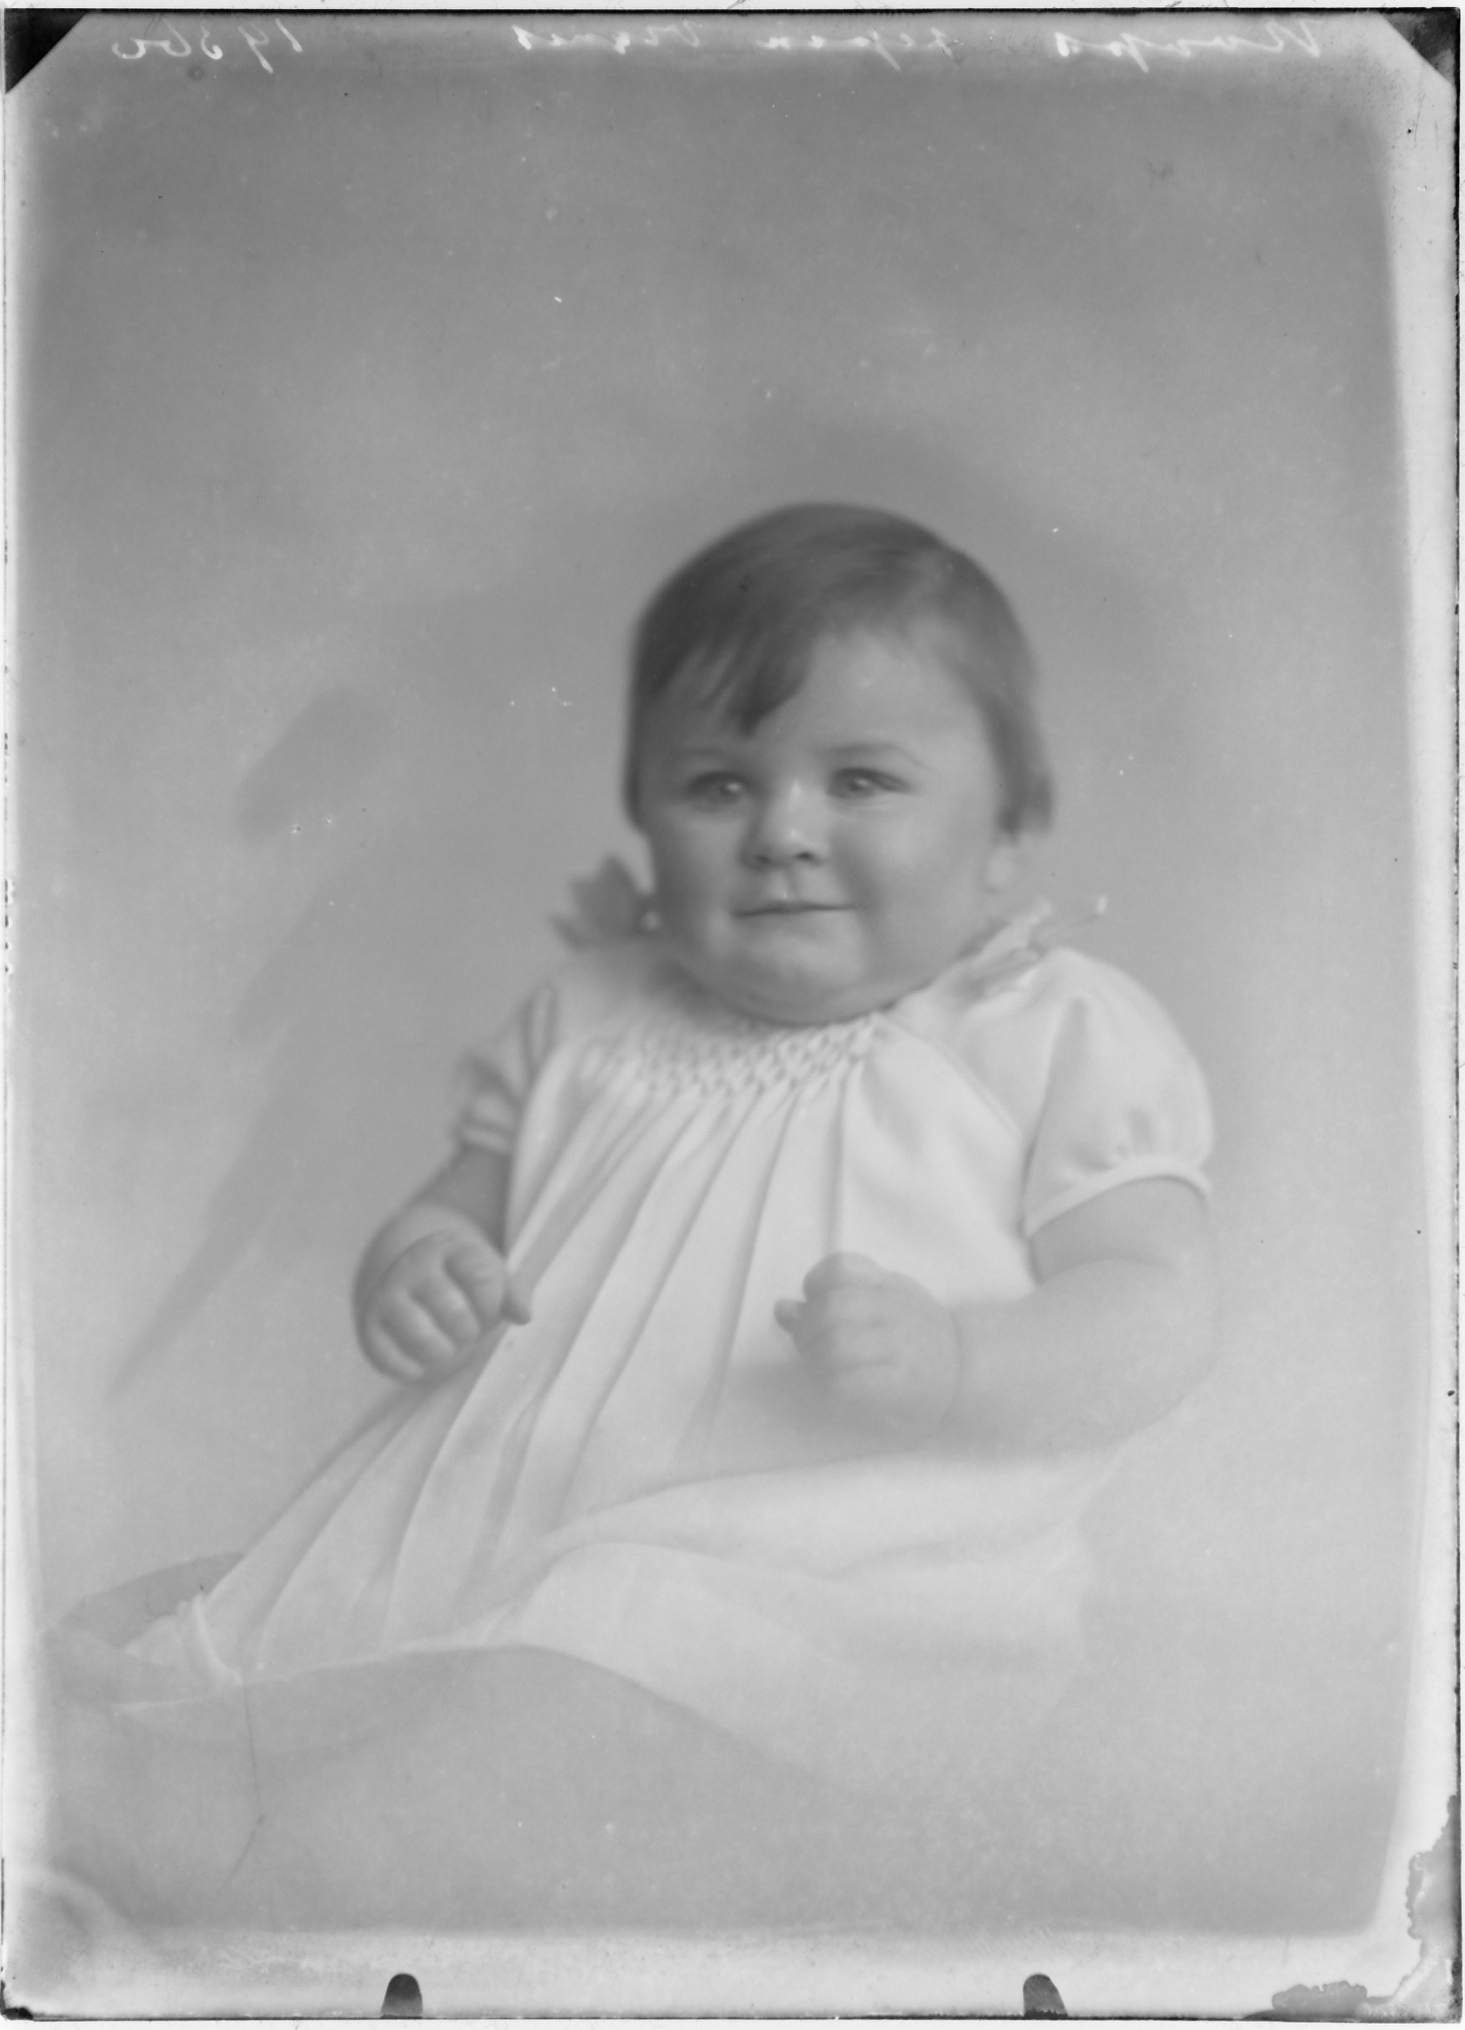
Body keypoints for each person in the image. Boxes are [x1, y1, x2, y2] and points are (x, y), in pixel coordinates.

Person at [46, 504, 1216, 1932]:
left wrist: (964, 1360)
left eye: (861, 779)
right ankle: (201, 1811)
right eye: (718, 785)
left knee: (548, 1700)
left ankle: (245, 1860)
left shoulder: (1040, 1032)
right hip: (506, 1530)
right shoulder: (592, 1012)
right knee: (296, 1649)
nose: (783, 834)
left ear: (1006, 834)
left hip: (823, 1596)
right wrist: (422, 1264)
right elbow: (460, 1202)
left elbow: (1155, 1304)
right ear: (647, 819)